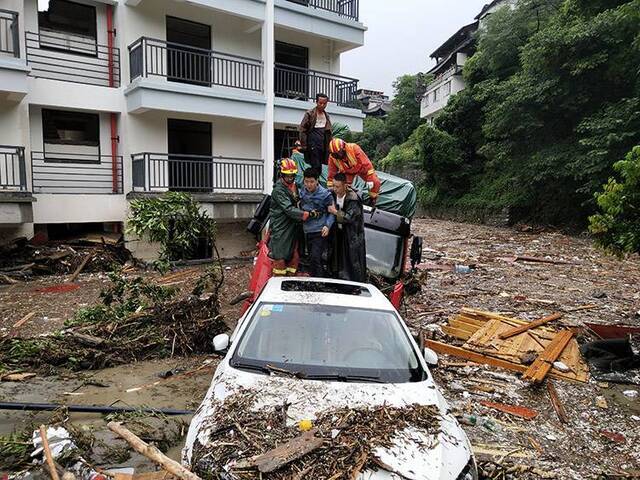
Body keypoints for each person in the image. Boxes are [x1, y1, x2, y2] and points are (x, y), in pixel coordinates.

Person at [269, 158, 317, 276]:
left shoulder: (294, 185)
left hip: (293, 224)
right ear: (282, 175)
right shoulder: (278, 190)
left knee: (294, 252)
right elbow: (288, 209)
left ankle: (291, 276)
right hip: (281, 225)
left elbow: (306, 189)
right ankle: (279, 279)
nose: (290, 178)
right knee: (280, 254)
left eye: (292, 176)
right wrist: (306, 214)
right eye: (287, 176)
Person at [328, 172, 367, 282]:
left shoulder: (353, 199)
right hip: (336, 232)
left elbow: (349, 218)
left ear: (345, 186)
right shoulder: (331, 193)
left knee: (351, 260)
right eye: (333, 186)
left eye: (337, 186)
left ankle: (353, 283)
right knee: (335, 256)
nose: (335, 189)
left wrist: (335, 212)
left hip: (351, 234)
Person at [300, 167, 335, 278]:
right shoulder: (302, 191)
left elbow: (332, 212)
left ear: (317, 180)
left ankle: (320, 282)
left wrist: (327, 226)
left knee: (316, 257)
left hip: (319, 231)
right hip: (307, 230)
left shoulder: (325, 194)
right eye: (306, 181)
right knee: (311, 258)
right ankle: (313, 280)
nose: (309, 185)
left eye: (312, 182)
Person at [327, 138, 381, 206]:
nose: (337, 156)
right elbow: (331, 173)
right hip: (347, 172)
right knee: (343, 186)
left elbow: (366, 163)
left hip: (361, 168)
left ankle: (372, 200)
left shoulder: (354, 148)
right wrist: (330, 188)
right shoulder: (332, 158)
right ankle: (345, 202)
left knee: (375, 182)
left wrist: (370, 179)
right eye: (335, 155)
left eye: (338, 153)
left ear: (343, 148)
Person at [299, 93, 332, 170]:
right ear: (316, 102)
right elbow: (302, 129)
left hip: (323, 143)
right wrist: (304, 145)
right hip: (312, 142)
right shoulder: (310, 113)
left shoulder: (326, 115)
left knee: (321, 165)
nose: (322, 105)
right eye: (320, 103)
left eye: (324, 103)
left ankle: (316, 180)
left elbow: (329, 132)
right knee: (315, 165)